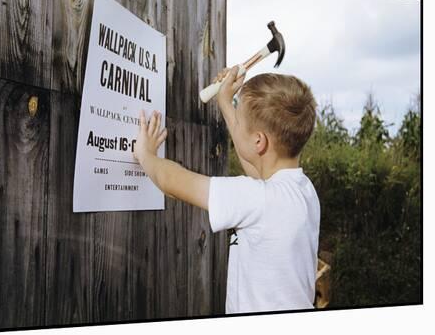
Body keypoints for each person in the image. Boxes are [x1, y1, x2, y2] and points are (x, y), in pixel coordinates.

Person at [133, 65, 320, 314]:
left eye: (239, 121)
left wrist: (146, 155)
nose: (236, 124)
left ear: (259, 141)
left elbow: (173, 182)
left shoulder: (257, 199)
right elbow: (257, 164)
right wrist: (225, 102)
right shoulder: (303, 191)